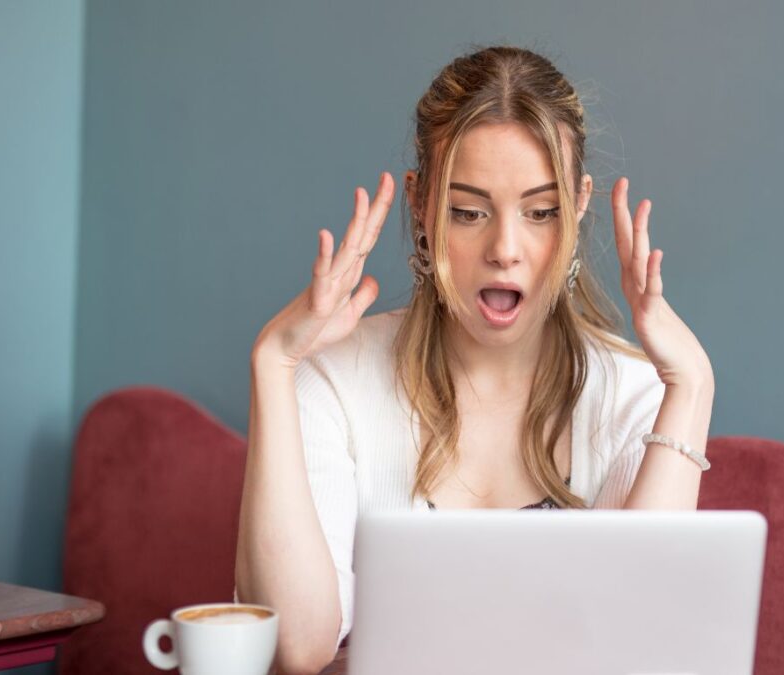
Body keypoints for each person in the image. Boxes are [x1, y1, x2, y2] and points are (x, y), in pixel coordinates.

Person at [234, 44, 715, 675]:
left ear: (579, 206)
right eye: (468, 212)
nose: (505, 249)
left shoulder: (636, 396)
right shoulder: (333, 378)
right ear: (421, 206)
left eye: (541, 212)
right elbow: (297, 648)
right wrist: (273, 364)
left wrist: (694, 385)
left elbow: (644, 646)